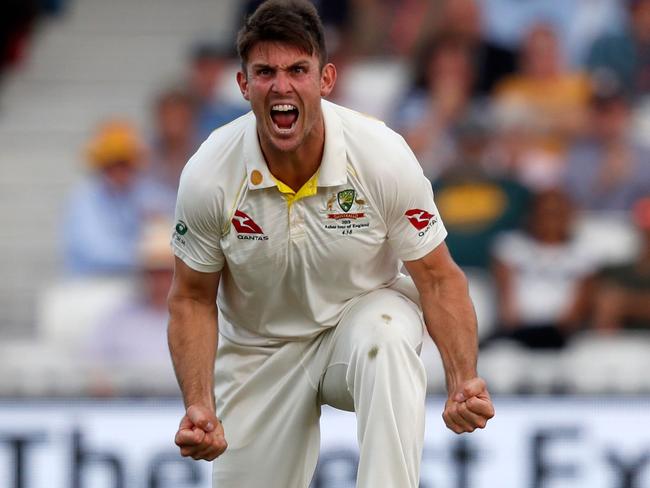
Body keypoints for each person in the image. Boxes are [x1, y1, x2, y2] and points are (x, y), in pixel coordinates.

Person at [167, 2, 494, 487]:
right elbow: (192, 297)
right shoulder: (210, 172)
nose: (282, 86)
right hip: (261, 352)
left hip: (357, 324)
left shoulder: (380, 154)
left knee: (386, 332)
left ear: (326, 79)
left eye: (298, 69)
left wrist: (463, 380)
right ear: (243, 85)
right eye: (265, 72)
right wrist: (198, 403)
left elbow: (439, 277)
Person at [62, 120, 173, 275]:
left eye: (125, 163)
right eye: (113, 164)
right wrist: (148, 252)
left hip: (138, 284)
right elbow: (95, 251)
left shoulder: (144, 191)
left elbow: (172, 210)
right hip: (90, 284)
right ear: (101, 165)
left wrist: (160, 224)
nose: (119, 171)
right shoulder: (84, 198)